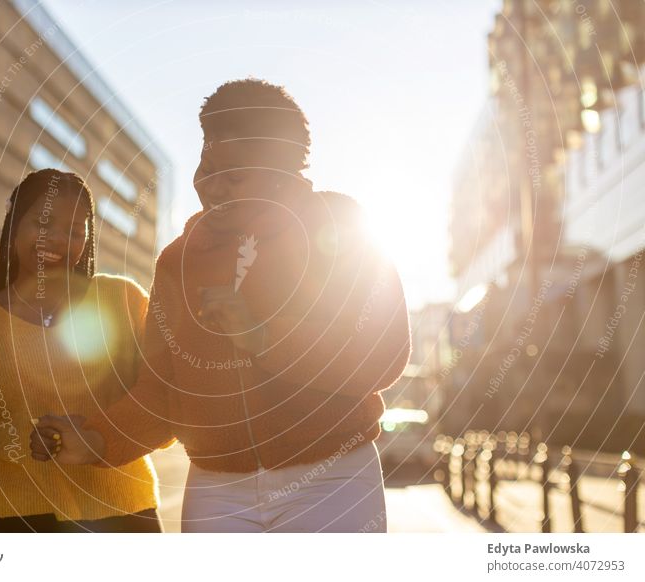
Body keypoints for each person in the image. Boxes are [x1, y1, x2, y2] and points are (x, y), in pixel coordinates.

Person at [31, 79, 411, 532]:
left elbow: (383, 354)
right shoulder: (177, 261)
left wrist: (261, 335)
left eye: (234, 176)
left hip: (330, 478)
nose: (211, 187)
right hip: (217, 489)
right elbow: (162, 392)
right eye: (206, 168)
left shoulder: (341, 226)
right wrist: (95, 440)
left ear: (280, 172)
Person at [0, 169, 163, 533]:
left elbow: (161, 400)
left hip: (120, 513)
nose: (59, 239)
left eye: (75, 229)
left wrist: (97, 436)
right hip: (2, 521)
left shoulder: (123, 302)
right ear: (13, 228)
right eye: (43, 222)